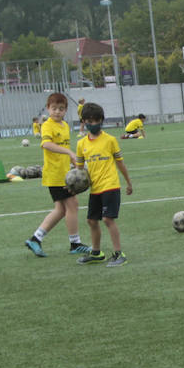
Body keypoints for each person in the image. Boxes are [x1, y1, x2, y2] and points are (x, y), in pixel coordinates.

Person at [24, 92, 89, 257]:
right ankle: (75, 243)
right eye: (54, 108)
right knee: (72, 205)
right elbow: (46, 144)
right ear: (48, 108)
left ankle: (35, 238)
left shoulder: (65, 126)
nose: (57, 112)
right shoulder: (47, 125)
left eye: (61, 109)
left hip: (64, 173)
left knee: (60, 210)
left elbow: (66, 152)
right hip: (55, 175)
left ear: (66, 110)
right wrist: (69, 152)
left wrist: (76, 164)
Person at [75, 102, 133, 267]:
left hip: (111, 186)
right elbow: (79, 171)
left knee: (108, 219)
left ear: (101, 121)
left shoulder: (110, 140)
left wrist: (128, 182)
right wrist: (74, 185)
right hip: (95, 189)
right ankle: (96, 253)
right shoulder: (81, 144)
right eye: (88, 121)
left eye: (95, 121)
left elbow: (120, 163)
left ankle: (118, 253)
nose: (92, 124)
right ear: (84, 122)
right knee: (92, 221)